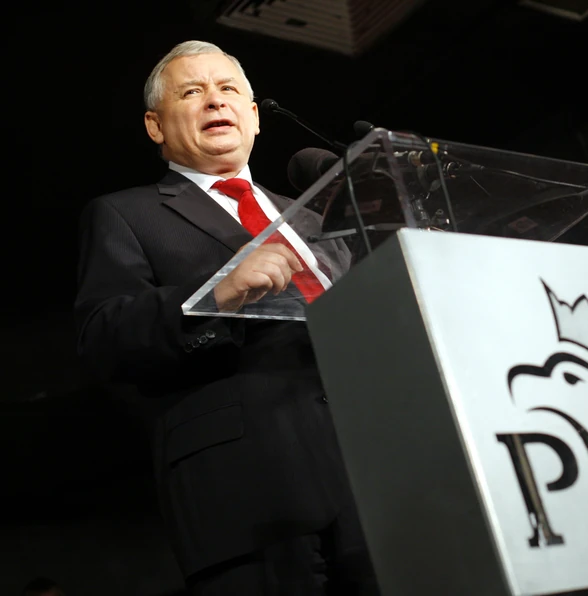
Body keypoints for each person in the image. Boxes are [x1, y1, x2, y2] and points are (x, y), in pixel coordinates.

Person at [74, 40, 377, 595]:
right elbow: (103, 337)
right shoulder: (125, 213)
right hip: (249, 494)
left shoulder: (314, 218)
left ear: (254, 117)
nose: (215, 101)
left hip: (377, 477)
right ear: (155, 126)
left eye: (228, 89)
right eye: (192, 92)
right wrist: (217, 293)